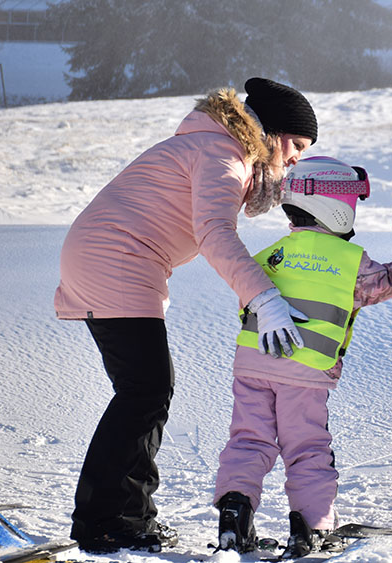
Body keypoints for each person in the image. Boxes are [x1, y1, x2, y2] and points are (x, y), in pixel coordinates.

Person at [54, 77, 320, 554]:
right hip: (114, 258)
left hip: (119, 258)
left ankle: (126, 516)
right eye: (297, 145)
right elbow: (215, 233)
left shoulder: (219, 147)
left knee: (144, 390)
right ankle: (106, 521)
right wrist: (264, 299)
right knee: (145, 390)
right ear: (274, 133)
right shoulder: (223, 155)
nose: (298, 157)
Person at [212, 156, 392, 559]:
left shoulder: (272, 254)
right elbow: (389, 283)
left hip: (251, 366)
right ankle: (311, 526)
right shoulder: (348, 261)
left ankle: (234, 514)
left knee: (248, 440)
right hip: (306, 373)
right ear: (336, 205)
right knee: (306, 447)